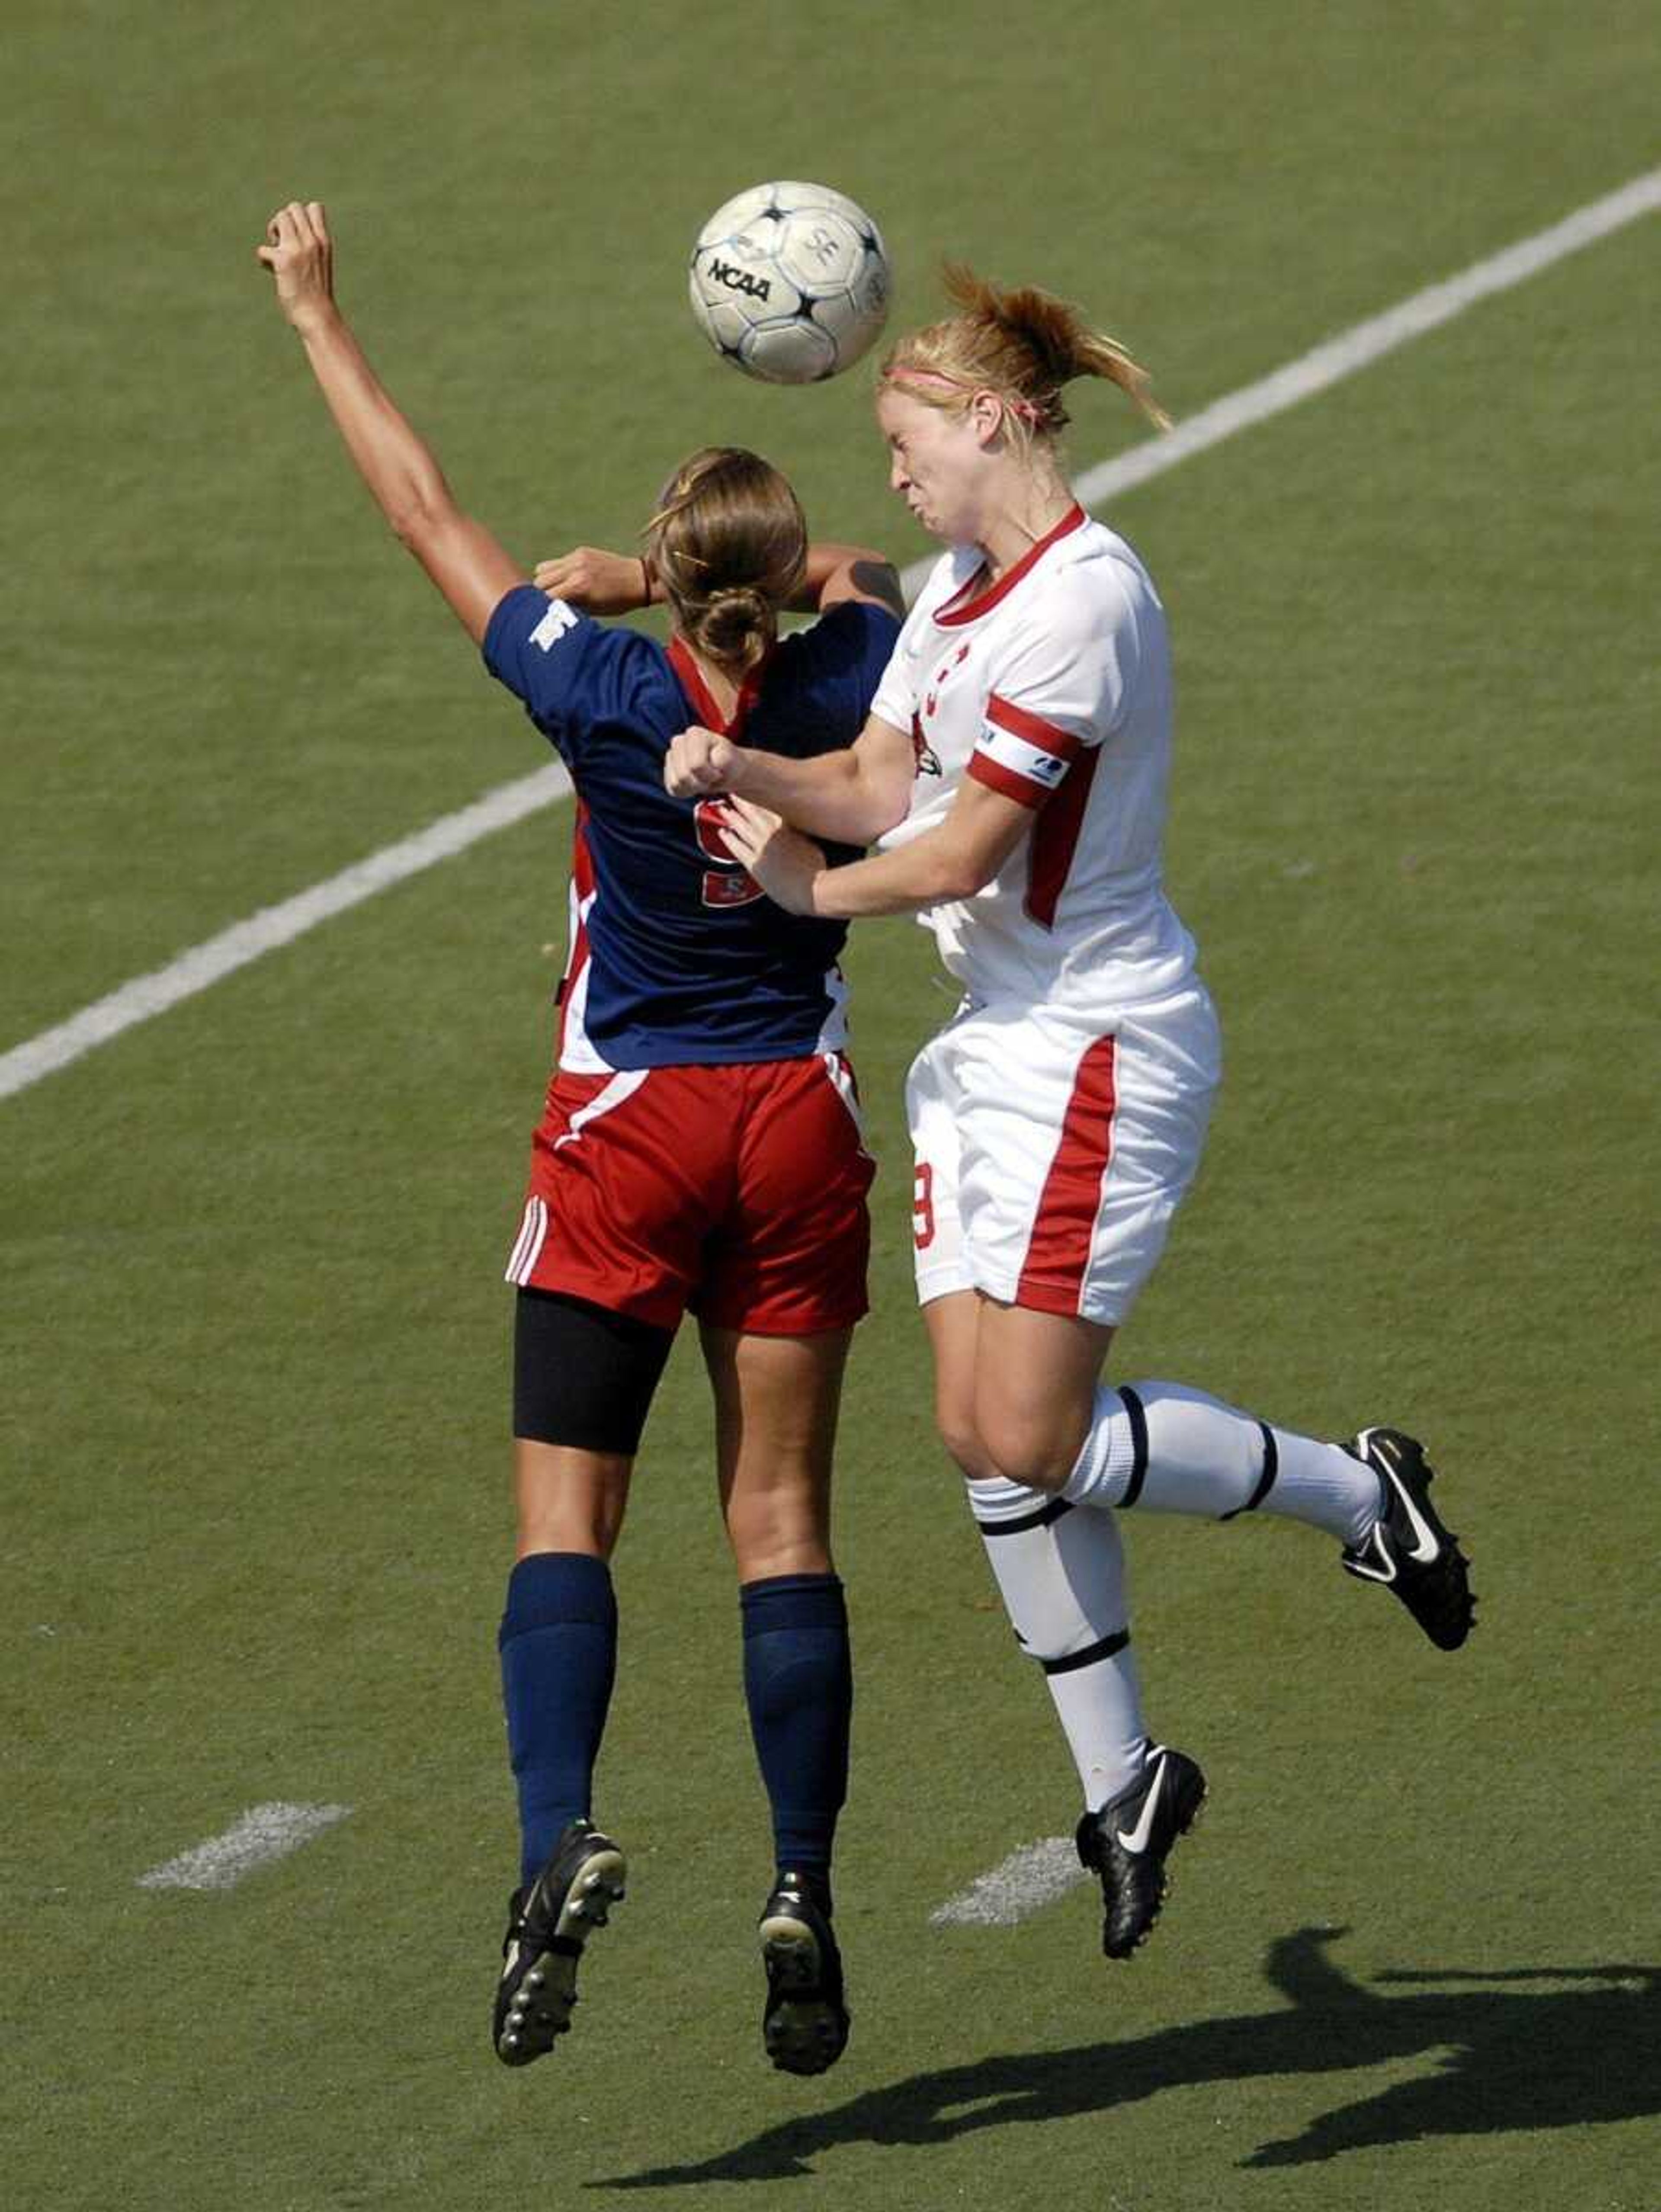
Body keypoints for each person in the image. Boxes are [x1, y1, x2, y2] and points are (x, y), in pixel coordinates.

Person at [666, 264, 1476, 1964]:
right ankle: (1126, 1780)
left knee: (1032, 1436)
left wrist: (797, 891)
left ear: (988, 420)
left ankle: (1360, 1496)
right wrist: (745, 773)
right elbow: (885, 783)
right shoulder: (962, 588)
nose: (891, 482)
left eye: (904, 444)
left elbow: (957, 855)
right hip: (991, 1047)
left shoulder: (1087, 603)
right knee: (980, 1436)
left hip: (1099, 1048)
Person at [257, 201, 904, 2071]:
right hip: (792, 1128)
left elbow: (425, 510)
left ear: (663, 576)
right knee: (780, 1522)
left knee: (568, 1518)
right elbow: (866, 575)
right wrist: (761, 582)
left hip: (624, 1135)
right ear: (774, 592)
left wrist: (317, 311)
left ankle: (558, 1839)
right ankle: (802, 1885)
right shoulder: (850, 676)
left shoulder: (601, 686)